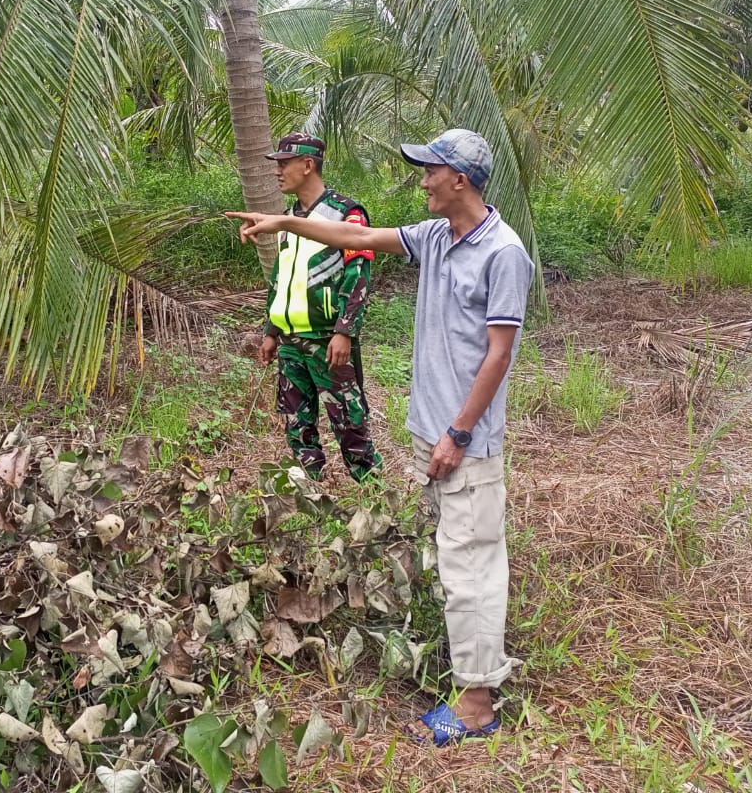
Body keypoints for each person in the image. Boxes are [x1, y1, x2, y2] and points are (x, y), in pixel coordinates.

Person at [228, 128, 533, 746]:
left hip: (462, 437)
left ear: (460, 181)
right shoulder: (438, 237)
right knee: (454, 551)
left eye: (429, 172)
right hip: (435, 431)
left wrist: (458, 432)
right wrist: (285, 225)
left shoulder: (502, 253)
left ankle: (476, 705)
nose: (420, 181)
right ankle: (464, 663)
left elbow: (499, 356)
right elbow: (358, 238)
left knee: (471, 560)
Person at [254, 132, 381, 482]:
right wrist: (271, 332)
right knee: (297, 420)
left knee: (349, 421)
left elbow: (359, 276)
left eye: (284, 164)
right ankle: (310, 488)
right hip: (291, 340)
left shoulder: (346, 214)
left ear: (308, 165)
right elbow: (281, 279)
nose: (277, 172)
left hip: (328, 340)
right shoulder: (287, 218)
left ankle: (372, 490)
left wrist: (344, 331)